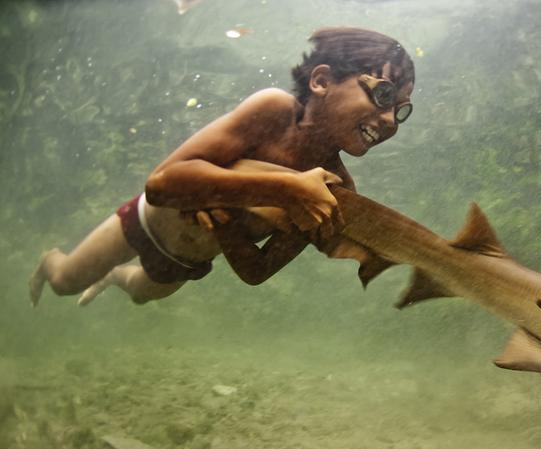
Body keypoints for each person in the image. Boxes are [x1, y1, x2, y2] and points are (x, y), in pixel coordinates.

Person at [29, 26, 415, 306]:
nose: (390, 120)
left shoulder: (335, 191)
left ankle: (114, 276)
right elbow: (162, 185)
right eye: (383, 94)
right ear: (322, 80)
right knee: (65, 282)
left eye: (402, 110)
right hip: (146, 221)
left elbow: (257, 271)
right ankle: (50, 259)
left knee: (139, 293)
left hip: (186, 260)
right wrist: (290, 188)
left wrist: (227, 219)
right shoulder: (274, 111)